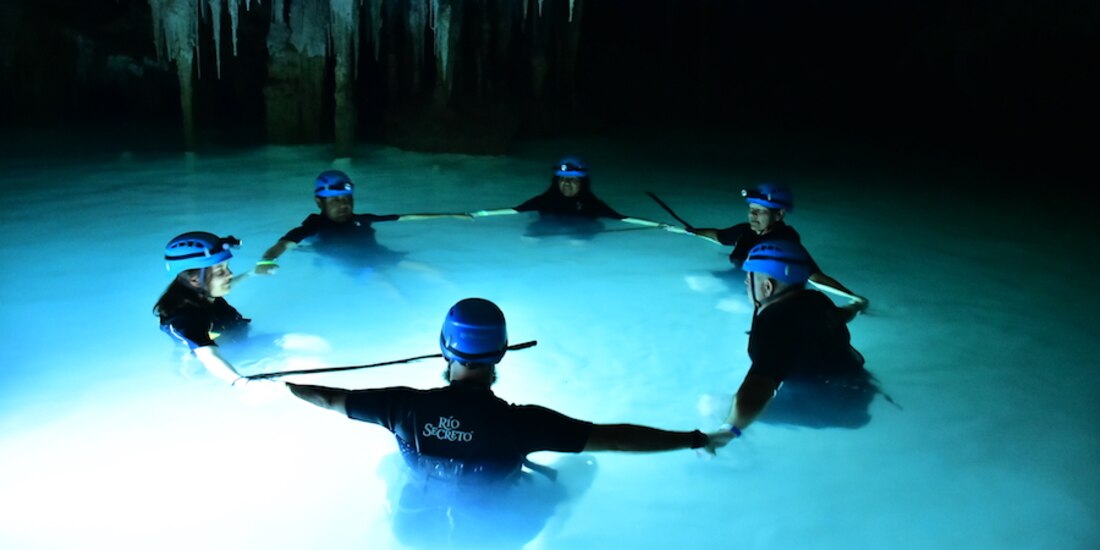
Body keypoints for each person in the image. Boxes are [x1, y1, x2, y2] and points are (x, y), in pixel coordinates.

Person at [286, 297, 733, 548]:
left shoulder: (403, 408)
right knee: (579, 471)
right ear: (500, 353)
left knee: (395, 460)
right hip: (490, 536)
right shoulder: (523, 424)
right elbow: (616, 439)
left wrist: (279, 385)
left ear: (444, 348)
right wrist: (695, 438)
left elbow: (328, 397)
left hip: (413, 531)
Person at [721, 241, 882, 435]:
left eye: (749, 276)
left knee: (713, 405)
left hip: (826, 407)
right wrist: (856, 306)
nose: (746, 282)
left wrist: (727, 432)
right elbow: (840, 315)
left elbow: (756, 389)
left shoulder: (774, 327)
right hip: (860, 385)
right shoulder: (815, 299)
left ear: (767, 286)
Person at [685, 183, 868, 319]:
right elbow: (718, 236)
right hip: (740, 283)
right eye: (751, 210)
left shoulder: (785, 244)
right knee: (692, 280)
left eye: (760, 211)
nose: (752, 216)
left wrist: (852, 298)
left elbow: (814, 277)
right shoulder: (745, 231)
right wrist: (693, 231)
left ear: (779, 214)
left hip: (762, 296)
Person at [255, 169, 470, 274]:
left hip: (377, 254)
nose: (343, 205)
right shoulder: (314, 226)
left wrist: (453, 214)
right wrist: (266, 261)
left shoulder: (361, 219)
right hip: (351, 264)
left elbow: (406, 216)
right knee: (386, 287)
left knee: (427, 269)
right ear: (319, 202)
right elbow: (283, 244)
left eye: (347, 199)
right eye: (335, 200)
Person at [470, 156, 674, 236]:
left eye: (573, 181)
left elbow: (621, 218)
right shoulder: (546, 199)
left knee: (577, 242)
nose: (566, 185)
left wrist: (658, 225)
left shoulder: (591, 203)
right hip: (548, 225)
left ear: (582, 183)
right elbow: (515, 209)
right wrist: (478, 214)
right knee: (529, 239)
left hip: (583, 228)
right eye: (563, 180)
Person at [154, 231, 251, 386]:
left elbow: (227, 284)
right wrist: (241, 382)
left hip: (233, 335)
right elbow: (207, 355)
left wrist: (252, 273)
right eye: (220, 271)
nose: (230, 274)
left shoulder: (203, 292)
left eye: (227, 268)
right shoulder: (182, 319)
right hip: (221, 352)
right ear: (194, 280)